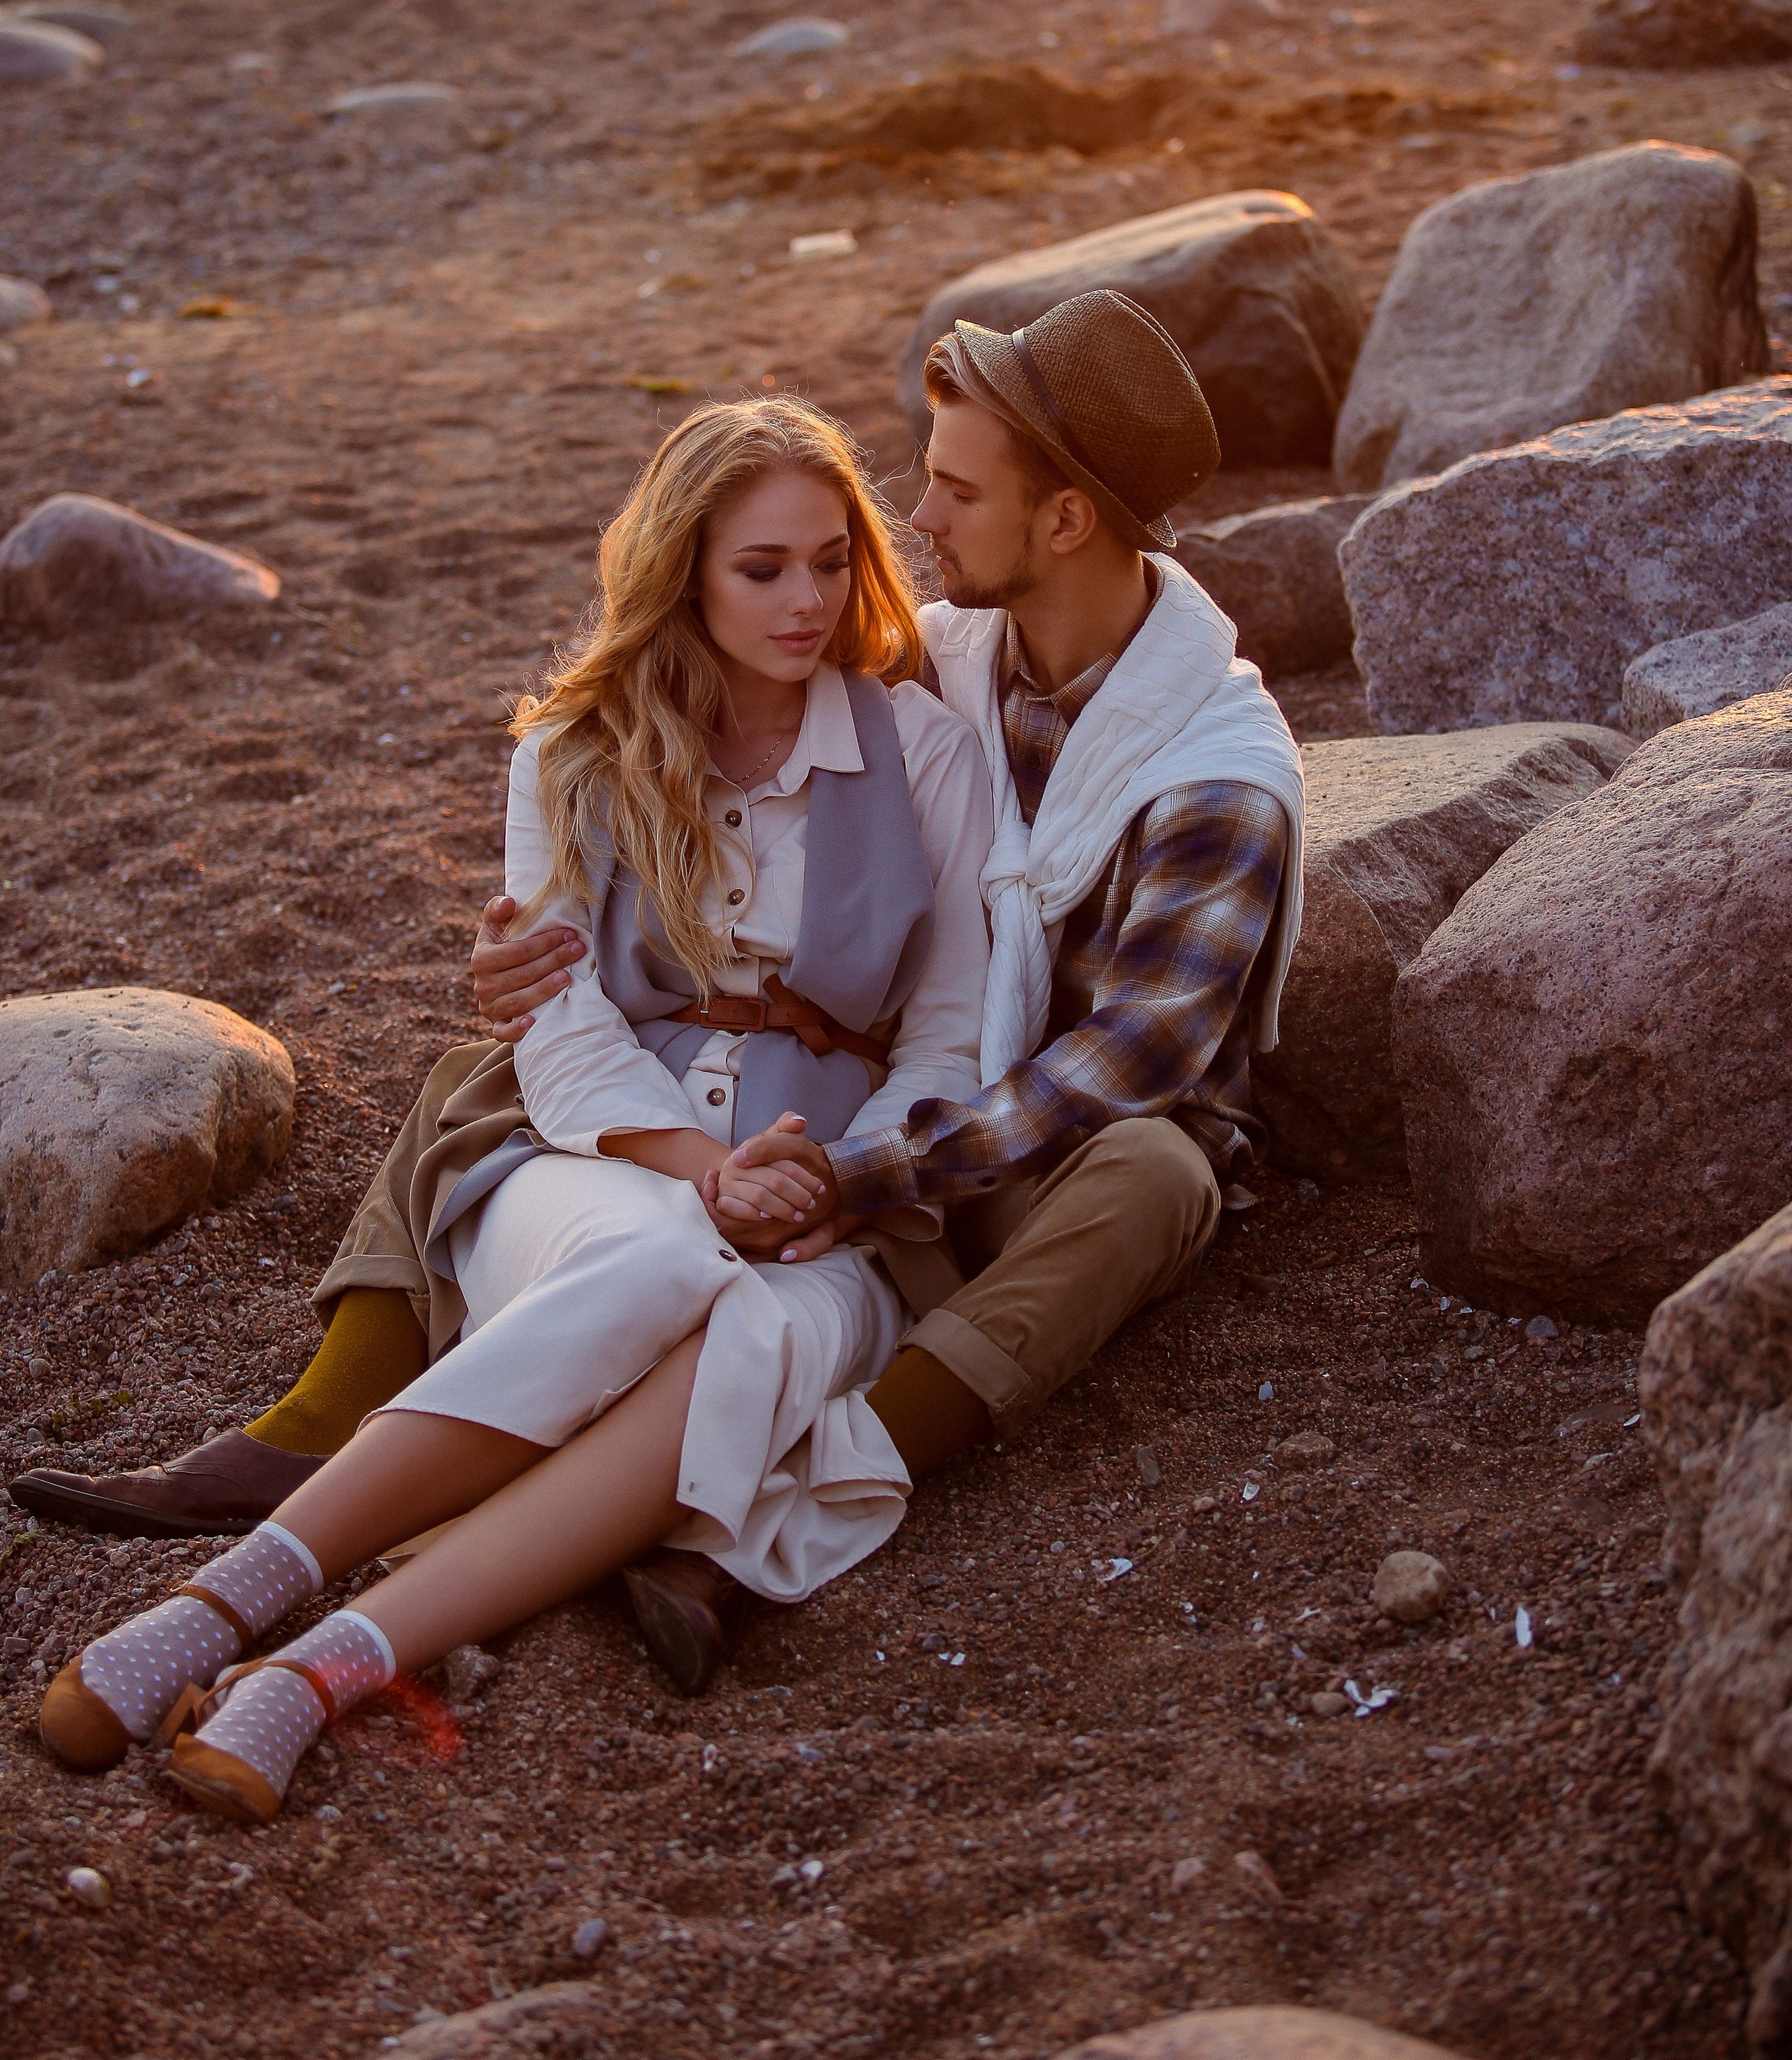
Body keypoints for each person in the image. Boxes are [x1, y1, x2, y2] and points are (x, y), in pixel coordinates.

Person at [22, 290, 1308, 1700]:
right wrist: (567, 1003)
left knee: (1143, 1172)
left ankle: (800, 1487)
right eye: (774, 565)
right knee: (504, 1058)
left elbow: (1114, 1059)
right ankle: (321, 1425)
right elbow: (690, 798)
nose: (907, 529)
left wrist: (836, 1176)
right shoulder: (952, 653)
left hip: (1013, 1141)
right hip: (830, 1124)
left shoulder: (1208, 779)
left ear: (1061, 523)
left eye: (944, 492)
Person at [38, 397, 992, 1821]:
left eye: (831, 559)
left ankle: (312, 1676)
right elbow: (558, 1026)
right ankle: (230, 1597)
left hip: (833, 1214)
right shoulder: (568, 752)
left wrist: (841, 1179)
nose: (808, 600)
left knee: (757, 1336)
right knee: (667, 1255)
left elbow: (953, 1033)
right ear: (681, 570)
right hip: (592, 1168)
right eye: (761, 568)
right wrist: (703, 1170)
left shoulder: (922, 747)